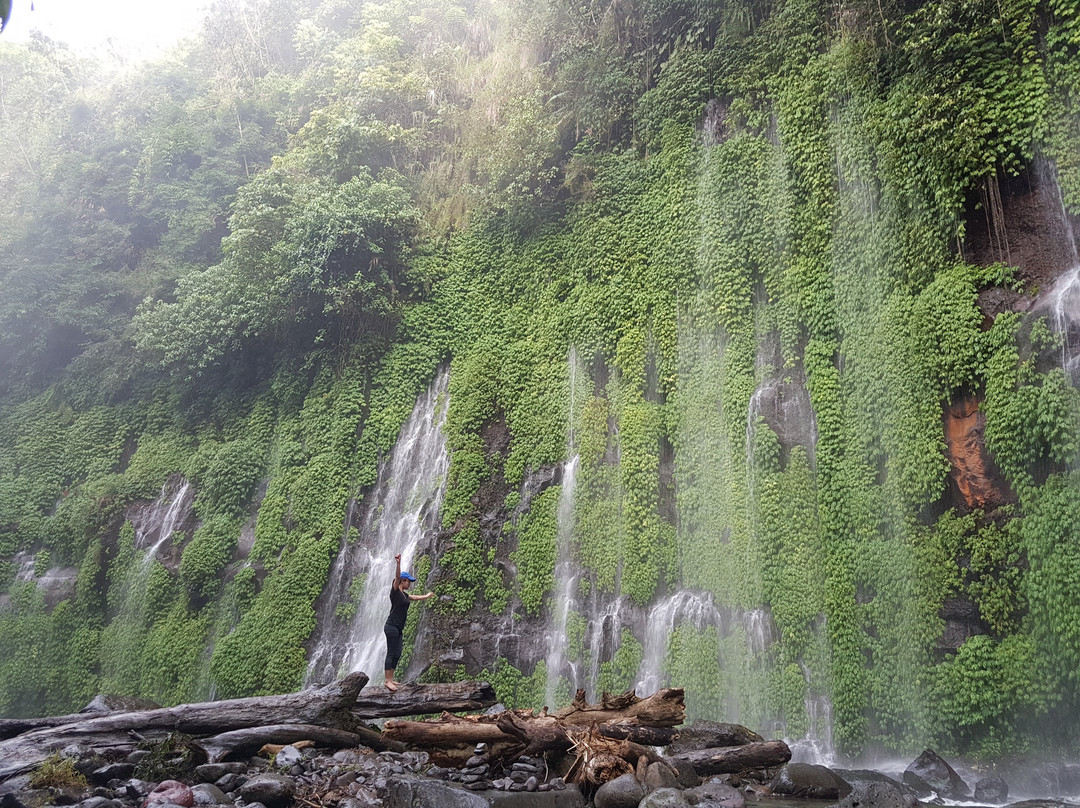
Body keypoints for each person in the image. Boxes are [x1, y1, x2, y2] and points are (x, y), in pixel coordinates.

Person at [383, 552, 433, 691]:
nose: (409, 583)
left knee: (398, 653)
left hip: (398, 627)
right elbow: (397, 576)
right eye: (408, 581)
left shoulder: (405, 595)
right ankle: (387, 681)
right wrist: (398, 563)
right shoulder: (395, 592)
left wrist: (427, 596)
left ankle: (391, 678)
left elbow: (415, 598)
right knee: (391, 652)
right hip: (391, 626)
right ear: (402, 581)